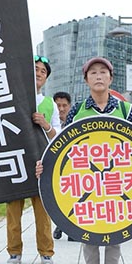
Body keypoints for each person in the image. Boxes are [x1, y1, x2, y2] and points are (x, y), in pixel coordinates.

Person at [65, 57, 132, 264]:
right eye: (93, 73)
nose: (98, 76)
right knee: (90, 228)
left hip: (116, 179)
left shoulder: (125, 109)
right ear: (86, 80)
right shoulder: (78, 110)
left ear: (110, 78)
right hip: (87, 179)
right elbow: (64, 145)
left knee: (115, 228)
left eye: (103, 72)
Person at [5, 57, 56, 264]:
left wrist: (44, 124)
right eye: (34, 69)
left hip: (40, 161)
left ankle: (46, 252)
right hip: (16, 158)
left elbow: (57, 135)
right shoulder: (12, 97)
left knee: (42, 210)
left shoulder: (49, 103)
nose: (38, 73)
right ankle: (14, 251)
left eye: (42, 71)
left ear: (46, 78)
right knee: (13, 210)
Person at [51, 92, 72, 239]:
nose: (61, 109)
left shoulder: (74, 123)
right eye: (58, 105)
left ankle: (69, 228)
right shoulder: (50, 124)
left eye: (64, 105)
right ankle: (60, 224)